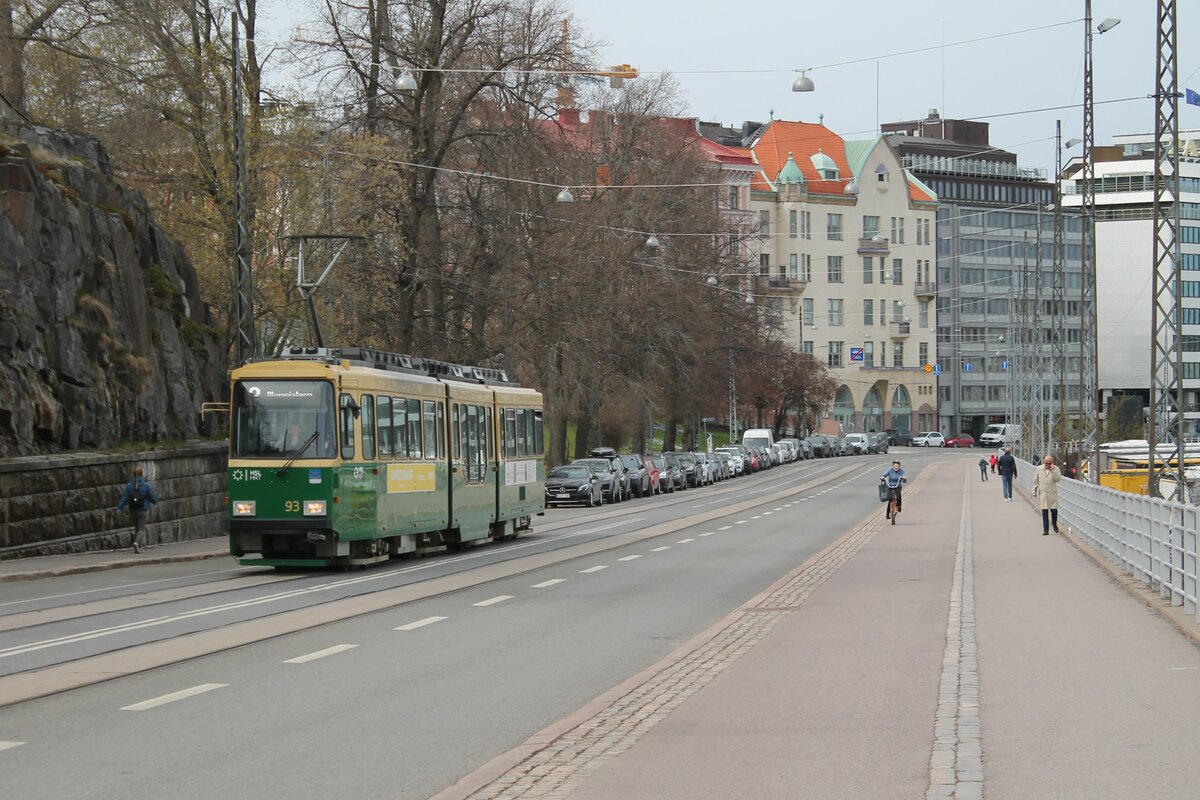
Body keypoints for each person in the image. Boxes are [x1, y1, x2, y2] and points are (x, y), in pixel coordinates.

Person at [116, 466, 159, 553]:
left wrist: (119, 507)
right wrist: (155, 502)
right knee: (141, 529)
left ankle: (138, 548)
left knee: (136, 528)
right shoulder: (146, 486)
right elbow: (151, 497)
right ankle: (136, 543)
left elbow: (124, 498)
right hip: (142, 510)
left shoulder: (129, 486)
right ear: (142, 474)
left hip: (132, 510)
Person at [1032, 454, 1064, 535]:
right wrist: (1034, 491)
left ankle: (1054, 524)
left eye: (1049, 463)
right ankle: (1046, 530)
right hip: (1043, 493)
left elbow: (1058, 479)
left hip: (1052, 493)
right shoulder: (1039, 469)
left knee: (1054, 511)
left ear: (1052, 463)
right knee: (1044, 511)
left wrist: (1052, 471)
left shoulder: (1056, 469)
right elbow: (1035, 481)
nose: (1047, 465)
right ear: (1044, 462)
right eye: (1046, 463)